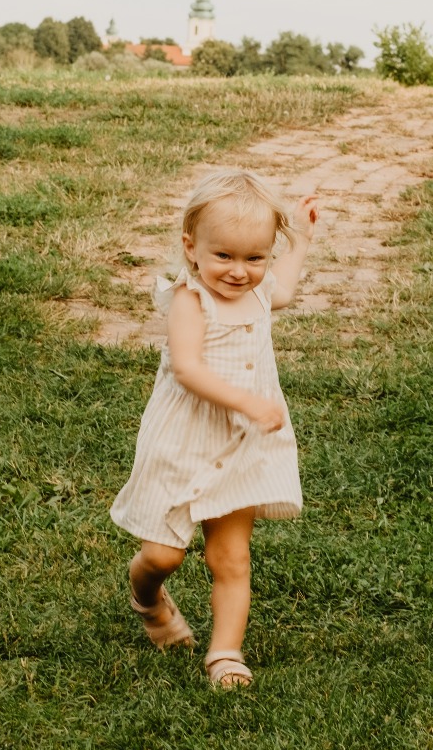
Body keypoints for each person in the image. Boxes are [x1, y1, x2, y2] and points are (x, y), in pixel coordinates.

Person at [111, 170, 318, 690]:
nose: (239, 271)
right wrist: (248, 400)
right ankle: (146, 596)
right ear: (191, 247)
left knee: (231, 556)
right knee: (163, 554)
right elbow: (188, 369)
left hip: (241, 446)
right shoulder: (189, 300)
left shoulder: (262, 292)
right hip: (183, 441)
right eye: (223, 256)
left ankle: (225, 653)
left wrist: (303, 237)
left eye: (255, 258)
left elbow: (286, 288)